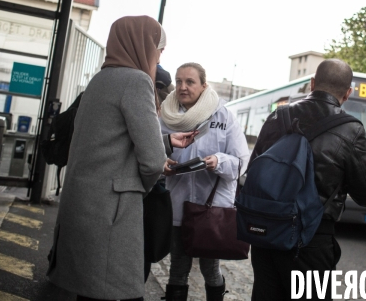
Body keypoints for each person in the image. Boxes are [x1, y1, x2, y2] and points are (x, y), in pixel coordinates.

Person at [47, 16, 189, 301]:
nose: (160, 55)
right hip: (113, 212)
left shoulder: (100, 80)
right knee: (116, 292)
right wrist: (146, 180)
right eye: (158, 47)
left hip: (83, 207)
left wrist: (164, 143)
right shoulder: (136, 82)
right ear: (143, 45)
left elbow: (105, 144)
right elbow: (150, 161)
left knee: (90, 291)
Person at [248, 59, 366, 301]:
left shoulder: (279, 116)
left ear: (312, 84)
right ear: (348, 93)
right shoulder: (352, 130)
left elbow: (253, 170)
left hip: (267, 233)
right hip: (311, 239)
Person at [160, 62, 250, 301]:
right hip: (178, 206)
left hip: (211, 209)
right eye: (179, 81)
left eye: (190, 82)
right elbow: (151, 152)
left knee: (210, 269)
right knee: (178, 269)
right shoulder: (165, 115)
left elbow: (242, 162)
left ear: (203, 86)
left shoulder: (224, 116)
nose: (183, 87)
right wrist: (162, 166)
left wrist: (217, 162)